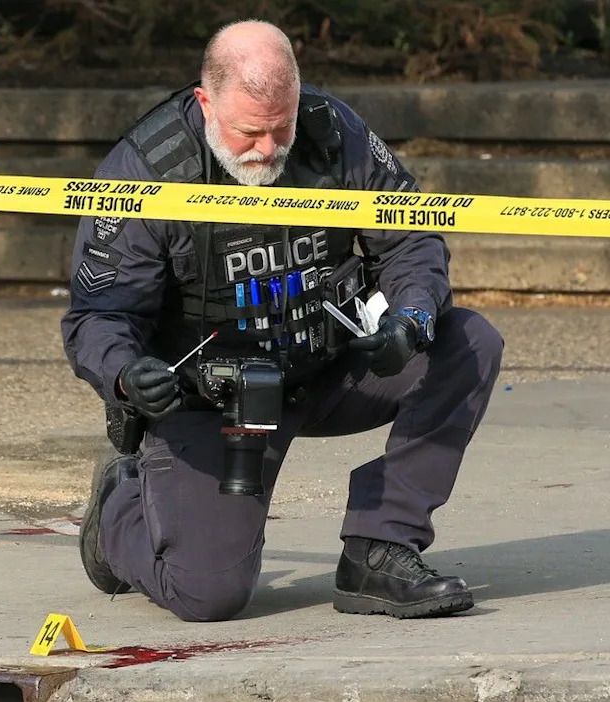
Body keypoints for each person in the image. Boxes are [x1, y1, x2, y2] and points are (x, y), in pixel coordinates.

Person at [61, 20, 503, 622]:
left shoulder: (334, 131)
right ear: (205, 101)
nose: (268, 150)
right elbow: (99, 314)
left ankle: (381, 547)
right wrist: (126, 376)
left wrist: (410, 318)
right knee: (209, 594)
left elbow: (410, 238)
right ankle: (119, 508)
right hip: (213, 398)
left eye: (281, 128)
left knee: (467, 342)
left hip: (327, 365)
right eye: (249, 133)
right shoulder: (143, 170)